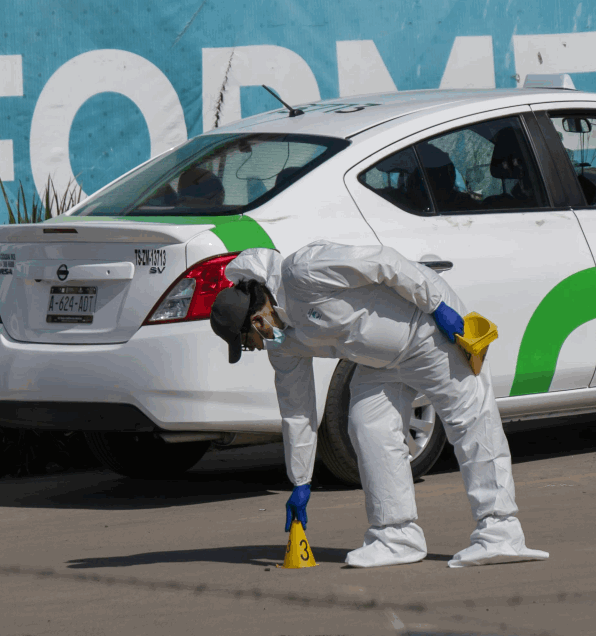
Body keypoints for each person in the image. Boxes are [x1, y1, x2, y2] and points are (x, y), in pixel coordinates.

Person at [208, 241, 548, 568]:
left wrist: (437, 307)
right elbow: (297, 409)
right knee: (367, 426)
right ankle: (396, 536)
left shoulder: (303, 271)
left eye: (248, 344)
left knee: (469, 421)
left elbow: (385, 262)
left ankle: (500, 531)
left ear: (256, 322)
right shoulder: (282, 344)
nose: (256, 348)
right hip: (377, 361)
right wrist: (300, 481)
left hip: (427, 331)